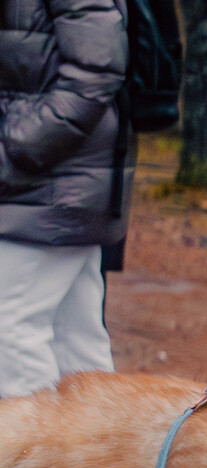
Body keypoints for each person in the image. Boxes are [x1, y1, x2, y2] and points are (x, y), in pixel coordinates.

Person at [0, 0, 133, 399]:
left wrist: (18, 146)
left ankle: (35, 457)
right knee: (76, 340)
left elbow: (96, 70)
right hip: (52, 183)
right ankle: (107, 454)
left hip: (53, 180)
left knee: (9, 326)